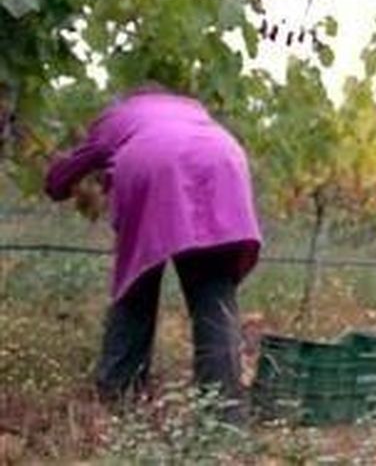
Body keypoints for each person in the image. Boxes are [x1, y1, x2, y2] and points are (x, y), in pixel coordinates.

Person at [44, 85, 262, 421]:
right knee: (213, 294)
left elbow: (66, 175)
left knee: (137, 284)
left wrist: (54, 180)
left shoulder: (119, 115)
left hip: (154, 163)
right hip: (224, 161)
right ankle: (223, 416)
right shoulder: (193, 110)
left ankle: (120, 397)